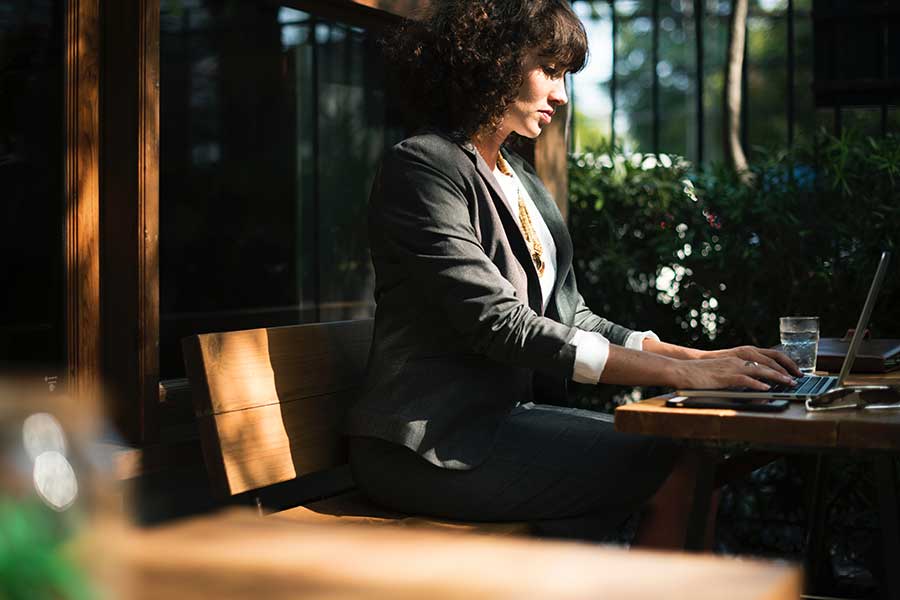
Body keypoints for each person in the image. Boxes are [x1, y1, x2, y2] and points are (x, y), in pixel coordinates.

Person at [346, 0, 800, 546]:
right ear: (493, 60)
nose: (561, 95)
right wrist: (682, 378)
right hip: (427, 447)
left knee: (689, 453)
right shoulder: (423, 168)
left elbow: (571, 314)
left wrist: (700, 359)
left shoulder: (522, 180)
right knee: (676, 466)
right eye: (551, 69)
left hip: (500, 426)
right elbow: (501, 324)